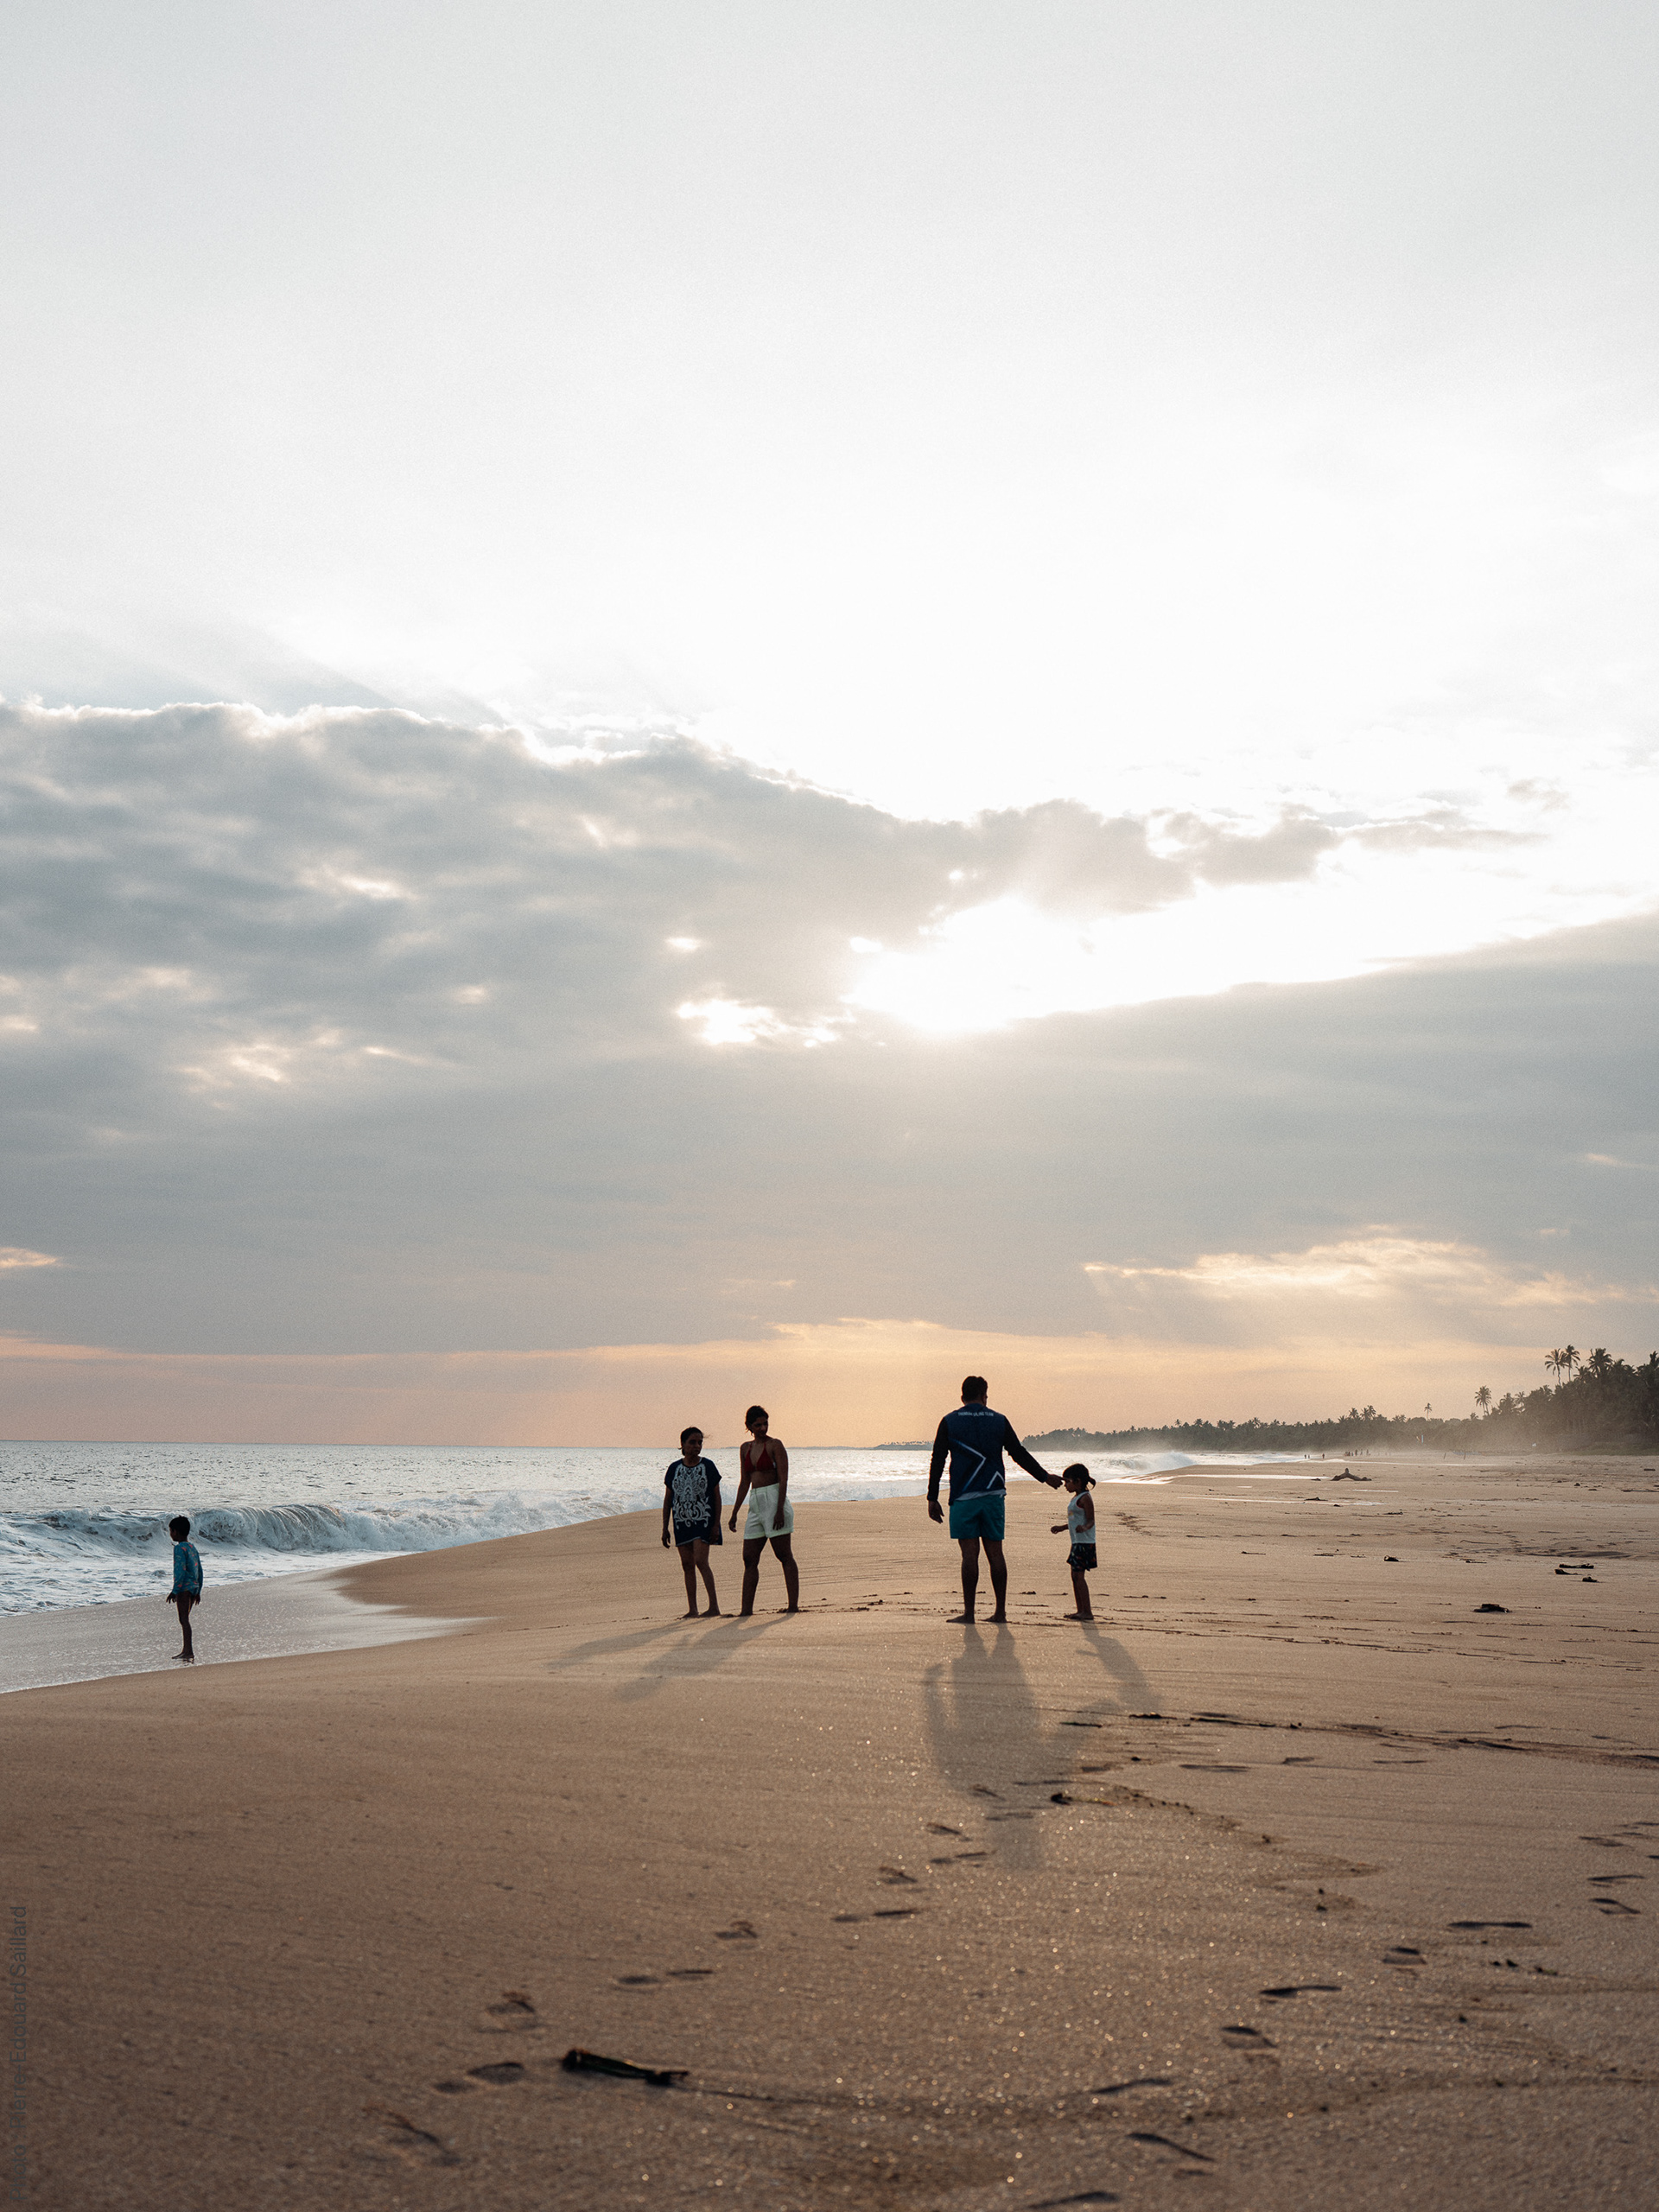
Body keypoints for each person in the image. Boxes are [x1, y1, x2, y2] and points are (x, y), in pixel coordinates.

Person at [927, 1376, 1061, 1624]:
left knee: (969, 1555)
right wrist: (1044, 1477)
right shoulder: (999, 1420)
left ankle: (969, 1614)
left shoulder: (949, 1421)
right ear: (984, 1395)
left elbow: (938, 1459)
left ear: (962, 1397)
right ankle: (1000, 1612)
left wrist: (932, 1497)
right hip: (993, 1497)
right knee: (995, 1554)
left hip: (963, 1497)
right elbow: (1017, 1453)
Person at [729, 1404, 799, 1616]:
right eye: (758, 1425)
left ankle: (793, 1606)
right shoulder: (745, 1449)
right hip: (756, 1503)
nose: (762, 1428)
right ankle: (746, 1610)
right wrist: (735, 1512)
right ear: (749, 1426)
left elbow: (783, 1479)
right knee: (749, 1558)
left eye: (765, 1423)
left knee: (784, 1554)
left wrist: (779, 1509)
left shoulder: (775, 1445)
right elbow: (744, 1482)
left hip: (774, 1499)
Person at [661, 1427, 722, 1618]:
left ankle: (714, 1607)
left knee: (701, 1561)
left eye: (700, 1443)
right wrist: (665, 1527)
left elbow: (717, 1497)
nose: (697, 1446)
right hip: (680, 1522)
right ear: (683, 1444)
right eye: (692, 1442)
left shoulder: (708, 1466)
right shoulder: (674, 1469)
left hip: (703, 1520)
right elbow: (668, 1499)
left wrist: (716, 1524)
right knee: (687, 1564)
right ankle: (693, 1609)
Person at [1051, 1463, 1097, 1621]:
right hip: (1077, 1542)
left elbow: (1091, 1520)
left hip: (1084, 1543)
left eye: (1067, 1482)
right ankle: (1080, 1610)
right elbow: (1073, 1521)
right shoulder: (1076, 1498)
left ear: (1077, 1481)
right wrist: (1062, 1528)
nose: (1065, 1485)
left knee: (1079, 1576)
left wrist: (1085, 1527)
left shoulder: (1085, 1498)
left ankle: (1087, 1611)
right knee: (1074, 1576)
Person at [164, 1515, 203, 1662]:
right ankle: (186, 1650)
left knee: (184, 1620)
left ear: (176, 1531)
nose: (170, 1534)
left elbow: (180, 1571)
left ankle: (188, 1651)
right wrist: (198, 1590)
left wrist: (174, 1591)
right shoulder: (192, 1547)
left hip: (184, 1588)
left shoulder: (179, 1548)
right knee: (185, 1619)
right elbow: (199, 1569)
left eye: (171, 1531)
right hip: (193, 1587)